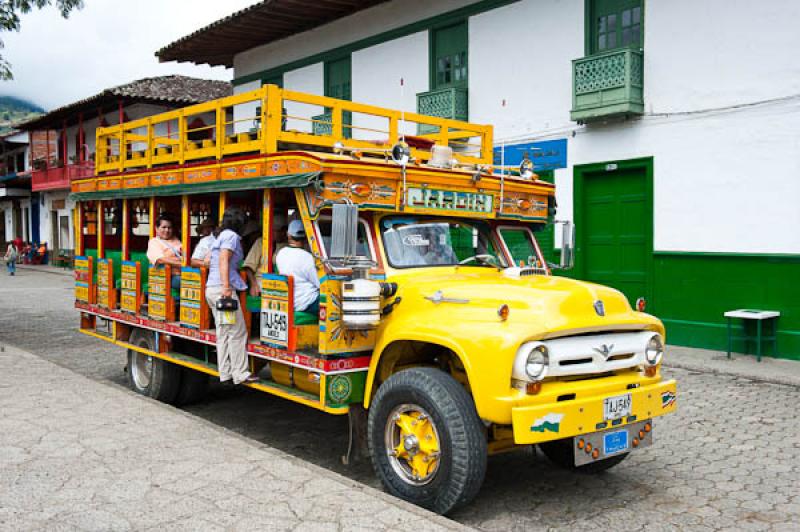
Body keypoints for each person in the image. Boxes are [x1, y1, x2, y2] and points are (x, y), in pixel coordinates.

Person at [205, 207, 257, 385]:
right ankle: (240, 373)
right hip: (222, 290)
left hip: (212, 288)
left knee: (224, 332)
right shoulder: (232, 236)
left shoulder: (220, 236)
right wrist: (227, 286)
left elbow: (208, 260)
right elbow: (223, 260)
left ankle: (225, 373)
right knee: (237, 332)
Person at [275, 220, 320, 314]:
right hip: (307, 303)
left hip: (291, 301)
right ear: (306, 237)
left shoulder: (281, 253)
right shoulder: (308, 258)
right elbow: (320, 284)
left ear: (288, 235)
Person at [147, 213, 183, 289]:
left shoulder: (177, 240)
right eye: (164, 227)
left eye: (169, 228)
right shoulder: (154, 242)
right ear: (156, 228)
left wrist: (170, 258)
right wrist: (181, 263)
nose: (167, 230)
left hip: (184, 273)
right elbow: (160, 259)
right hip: (167, 277)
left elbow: (184, 255)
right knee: (187, 282)